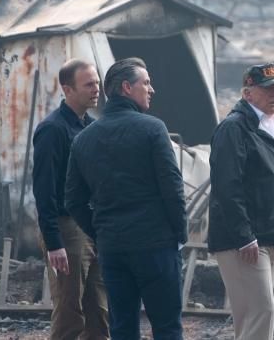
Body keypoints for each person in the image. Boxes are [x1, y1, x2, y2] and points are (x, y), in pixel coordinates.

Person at [65, 57, 187, 340]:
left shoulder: (84, 139)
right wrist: (179, 234)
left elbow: (73, 200)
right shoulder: (153, 129)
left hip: (113, 248)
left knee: (121, 328)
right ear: (126, 88)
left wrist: (100, 233)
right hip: (156, 245)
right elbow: (173, 188)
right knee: (167, 327)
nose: (151, 89)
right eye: (145, 82)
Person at [207, 63, 274, 340]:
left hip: (269, 237)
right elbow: (227, 187)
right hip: (244, 241)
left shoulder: (273, 128)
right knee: (263, 311)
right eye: (268, 88)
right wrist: (244, 236)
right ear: (248, 94)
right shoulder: (234, 129)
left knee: (251, 317)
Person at [32, 59, 109, 340]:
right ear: (68, 89)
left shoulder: (91, 126)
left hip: (91, 226)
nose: (96, 89)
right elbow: (44, 188)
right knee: (69, 311)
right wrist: (54, 242)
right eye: (89, 84)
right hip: (66, 228)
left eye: (97, 83)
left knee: (99, 312)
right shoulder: (52, 130)